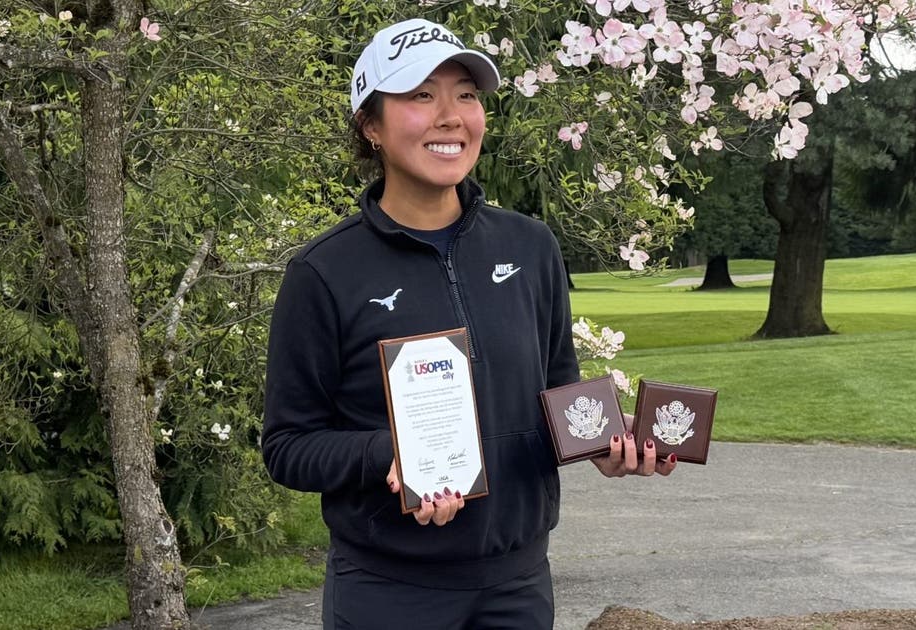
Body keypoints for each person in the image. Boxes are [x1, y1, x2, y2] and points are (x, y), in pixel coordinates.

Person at [261, 18, 677, 630]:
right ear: (370, 125)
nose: (451, 115)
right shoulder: (323, 273)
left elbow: (559, 388)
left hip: (519, 587)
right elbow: (287, 447)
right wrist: (390, 456)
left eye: (466, 94)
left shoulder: (531, 246)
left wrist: (604, 446)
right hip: (389, 592)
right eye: (421, 95)